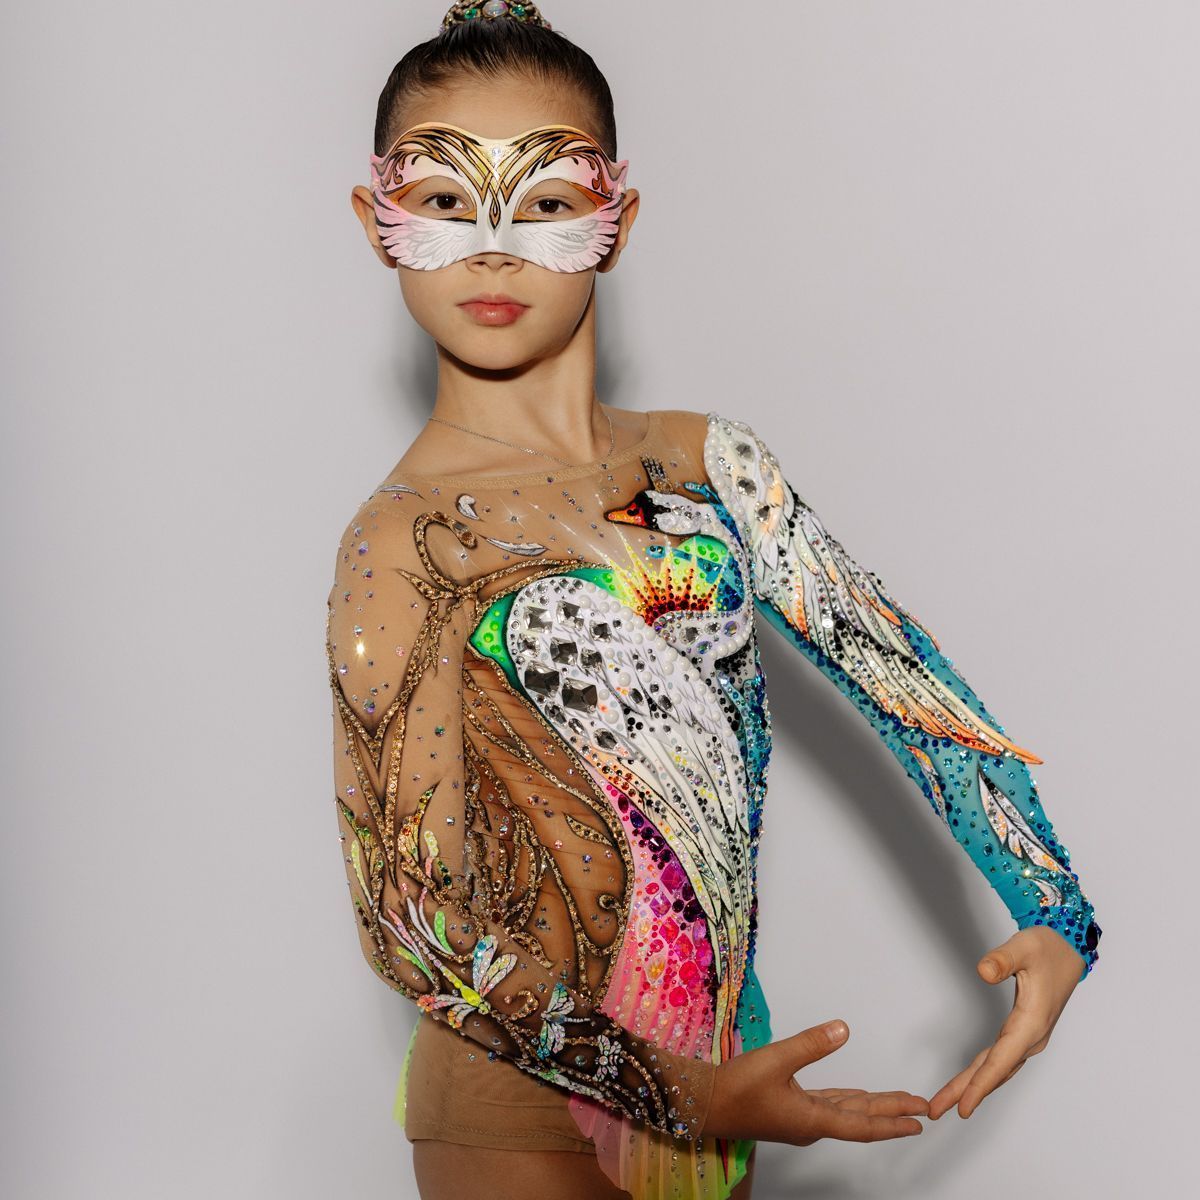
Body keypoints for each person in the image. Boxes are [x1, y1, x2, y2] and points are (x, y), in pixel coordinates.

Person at [326, 5, 1102, 1198]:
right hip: (519, 1111)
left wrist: (1052, 907)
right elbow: (406, 917)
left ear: (618, 220)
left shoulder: (708, 464)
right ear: (376, 222)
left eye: (545, 199)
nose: (493, 247)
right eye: (443, 198)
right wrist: (681, 1093)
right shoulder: (405, 538)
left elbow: (896, 678)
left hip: (721, 1067)